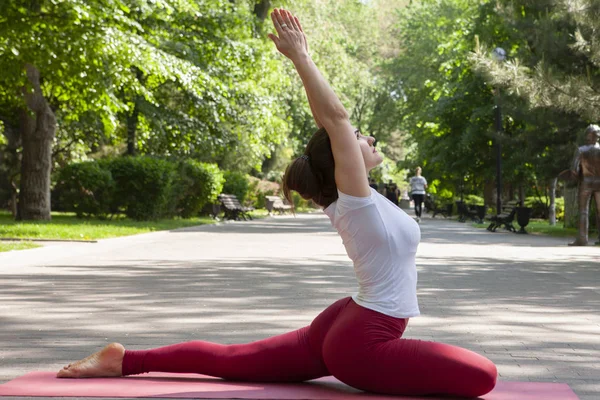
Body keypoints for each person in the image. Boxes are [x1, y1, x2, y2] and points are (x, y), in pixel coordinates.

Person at [56, 9, 497, 398]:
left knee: (234, 359)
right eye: (360, 138)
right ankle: (126, 359)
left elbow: (333, 124)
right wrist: (301, 58)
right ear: (342, 161)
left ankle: (125, 358)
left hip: (347, 320)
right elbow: (336, 119)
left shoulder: (361, 200)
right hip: (363, 340)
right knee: (483, 376)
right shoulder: (355, 199)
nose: (367, 138)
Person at [558, 124, 600, 246]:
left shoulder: (581, 150)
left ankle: (582, 239)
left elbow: (574, 170)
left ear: (587, 135)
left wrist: (572, 177)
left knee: (583, 211)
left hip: (586, 183)